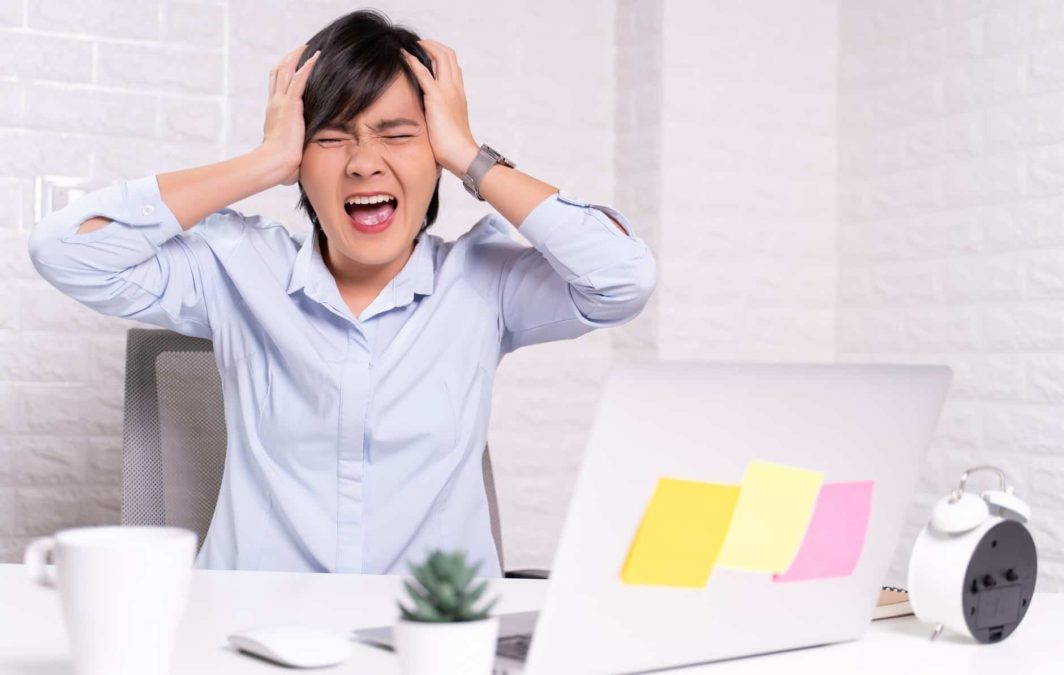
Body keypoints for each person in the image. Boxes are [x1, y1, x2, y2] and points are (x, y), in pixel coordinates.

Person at [27, 9, 656, 576]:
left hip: (428, 637)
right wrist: (263, 162)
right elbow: (66, 250)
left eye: (398, 135)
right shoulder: (238, 268)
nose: (363, 162)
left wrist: (469, 154)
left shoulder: (483, 281)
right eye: (331, 138)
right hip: (249, 631)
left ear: (433, 151)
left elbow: (622, 278)